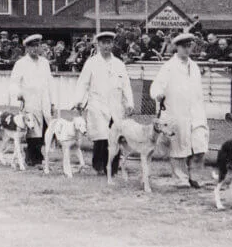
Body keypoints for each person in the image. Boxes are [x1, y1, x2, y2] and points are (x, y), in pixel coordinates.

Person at [150, 33, 209, 188]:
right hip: (176, 112)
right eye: (184, 46)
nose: (187, 49)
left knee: (199, 143)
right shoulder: (169, 66)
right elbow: (156, 85)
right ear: (177, 47)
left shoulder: (194, 66)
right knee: (178, 147)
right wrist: (157, 94)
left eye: (190, 45)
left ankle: (194, 176)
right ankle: (181, 179)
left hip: (195, 112)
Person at [73, 31, 135, 175]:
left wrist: (129, 103)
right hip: (97, 105)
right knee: (101, 136)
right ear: (98, 44)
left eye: (109, 42)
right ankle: (99, 166)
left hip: (115, 105)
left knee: (114, 137)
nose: (106, 46)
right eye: (103, 43)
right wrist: (79, 101)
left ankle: (112, 169)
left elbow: (126, 84)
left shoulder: (119, 64)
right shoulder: (91, 63)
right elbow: (83, 83)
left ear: (112, 44)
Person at [9, 34, 56, 167]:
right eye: (32, 46)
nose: (35, 49)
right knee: (32, 128)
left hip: (44, 99)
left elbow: (49, 82)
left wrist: (52, 102)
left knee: (45, 128)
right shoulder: (21, 63)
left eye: (37, 46)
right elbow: (14, 82)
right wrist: (18, 94)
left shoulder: (45, 62)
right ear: (27, 48)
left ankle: (36, 154)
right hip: (29, 99)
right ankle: (33, 157)